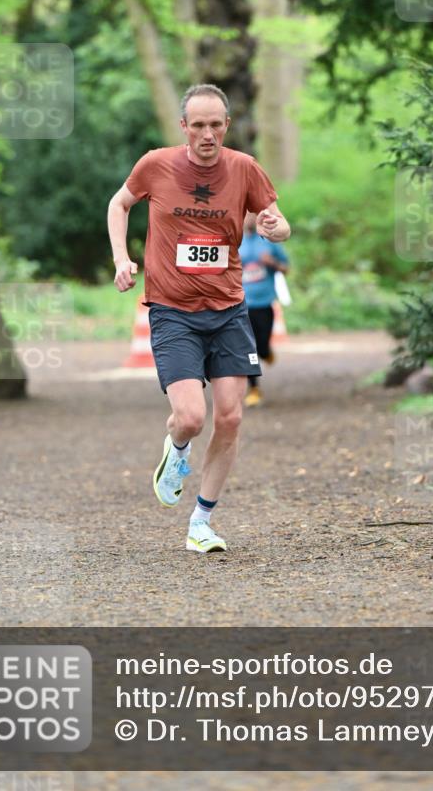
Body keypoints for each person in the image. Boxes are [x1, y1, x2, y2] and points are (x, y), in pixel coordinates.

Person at [107, 83, 290, 554]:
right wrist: (121, 259)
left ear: (225, 126)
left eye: (216, 125)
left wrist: (276, 227)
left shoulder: (244, 168)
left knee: (230, 417)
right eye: (199, 125)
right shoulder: (156, 164)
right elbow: (119, 203)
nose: (207, 134)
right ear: (184, 126)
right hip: (173, 312)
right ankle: (178, 449)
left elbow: (278, 220)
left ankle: (201, 522)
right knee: (190, 417)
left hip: (228, 310)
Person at [239, 212, 290, 408]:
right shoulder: (235, 242)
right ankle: (254, 389)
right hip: (242, 305)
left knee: (262, 345)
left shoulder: (269, 242)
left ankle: (267, 351)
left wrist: (273, 264)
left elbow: (286, 268)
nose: (249, 220)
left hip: (265, 303)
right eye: (246, 216)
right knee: (248, 348)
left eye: (252, 216)